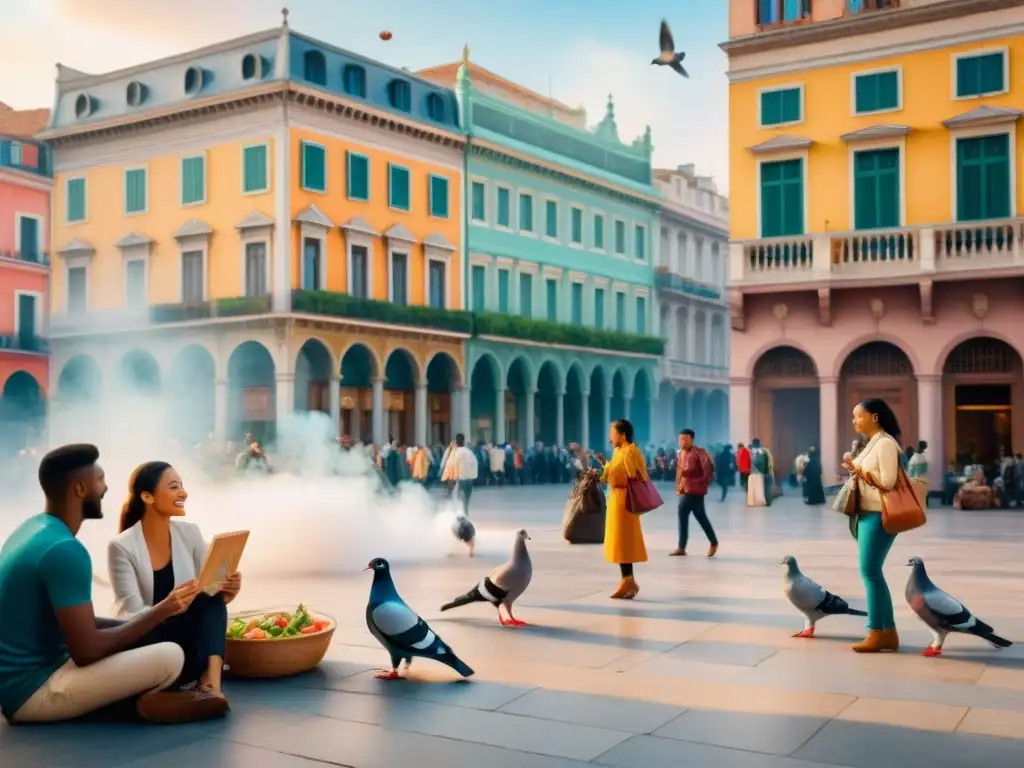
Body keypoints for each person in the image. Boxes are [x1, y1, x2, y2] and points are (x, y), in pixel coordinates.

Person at [0, 444, 228, 725]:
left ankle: (150, 699)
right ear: (80, 489)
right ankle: (150, 704)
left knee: (150, 634)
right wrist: (161, 611)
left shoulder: (34, 529)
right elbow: (86, 652)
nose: (106, 488)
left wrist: (150, 622)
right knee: (169, 656)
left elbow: (79, 625)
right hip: (36, 692)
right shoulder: (65, 550)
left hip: (24, 680)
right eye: (100, 480)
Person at [109, 461, 241, 699]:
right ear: (148, 497)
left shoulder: (190, 533)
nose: (183, 492)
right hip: (147, 645)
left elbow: (210, 590)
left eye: (182, 485)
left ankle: (211, 680)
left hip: (189, 650)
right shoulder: (122, 546)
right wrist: (168, 607)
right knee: (198, 603)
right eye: (173, 486)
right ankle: (159, 688)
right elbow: (132, 616)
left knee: (210, 599)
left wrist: (228, 588)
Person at [845, 398, 902, 653]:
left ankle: (876, 632)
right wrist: (853, 467)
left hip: (879, 515)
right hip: (867, 513)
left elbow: (888, 482)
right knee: (873, 573)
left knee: (870, 572)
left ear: (874, 417)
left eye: (859, 416)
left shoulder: (886, 444)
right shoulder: (873, 444)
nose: (855, 421)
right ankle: (886, 632)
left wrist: (859, 470)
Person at [600, 419, 649, 599]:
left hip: (626, 502)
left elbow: (637, 475)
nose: (610, 437)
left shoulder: (631, 451)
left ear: (623, 435)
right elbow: (609, 476)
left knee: (624, 541)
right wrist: (605, 464)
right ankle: (627, 580)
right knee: (618, 541)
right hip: (615, 499)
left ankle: (628, 581)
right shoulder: (617, 451)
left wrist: (619, 470)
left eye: (612, 433)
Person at [670, 429, 718, 558]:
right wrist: (679, 486)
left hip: (696, 489)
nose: (682, 442)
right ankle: (713, 542)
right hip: (687, 489)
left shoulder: (700, 453)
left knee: (682, 510)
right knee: (700, 516)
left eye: (685, 439)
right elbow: (679, 471)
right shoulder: (681, 454)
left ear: (691, 439)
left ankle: (681, 547)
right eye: (680, 439)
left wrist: (700, 483)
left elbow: (708, 470)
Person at [449, 433, 479, 512]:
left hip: (460, 480)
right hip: (469, 480)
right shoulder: (469, 452)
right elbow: (474, 463)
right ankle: (465, 516)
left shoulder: (455, 452)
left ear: (456, 441)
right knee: (466, 502)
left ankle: (461, 518)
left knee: (459, 501)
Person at [907, 440, 929, 507]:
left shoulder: (914, 457)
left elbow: (910, 471)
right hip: (921, 480)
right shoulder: (923, 458)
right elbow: (924, 470)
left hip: (914, 479)